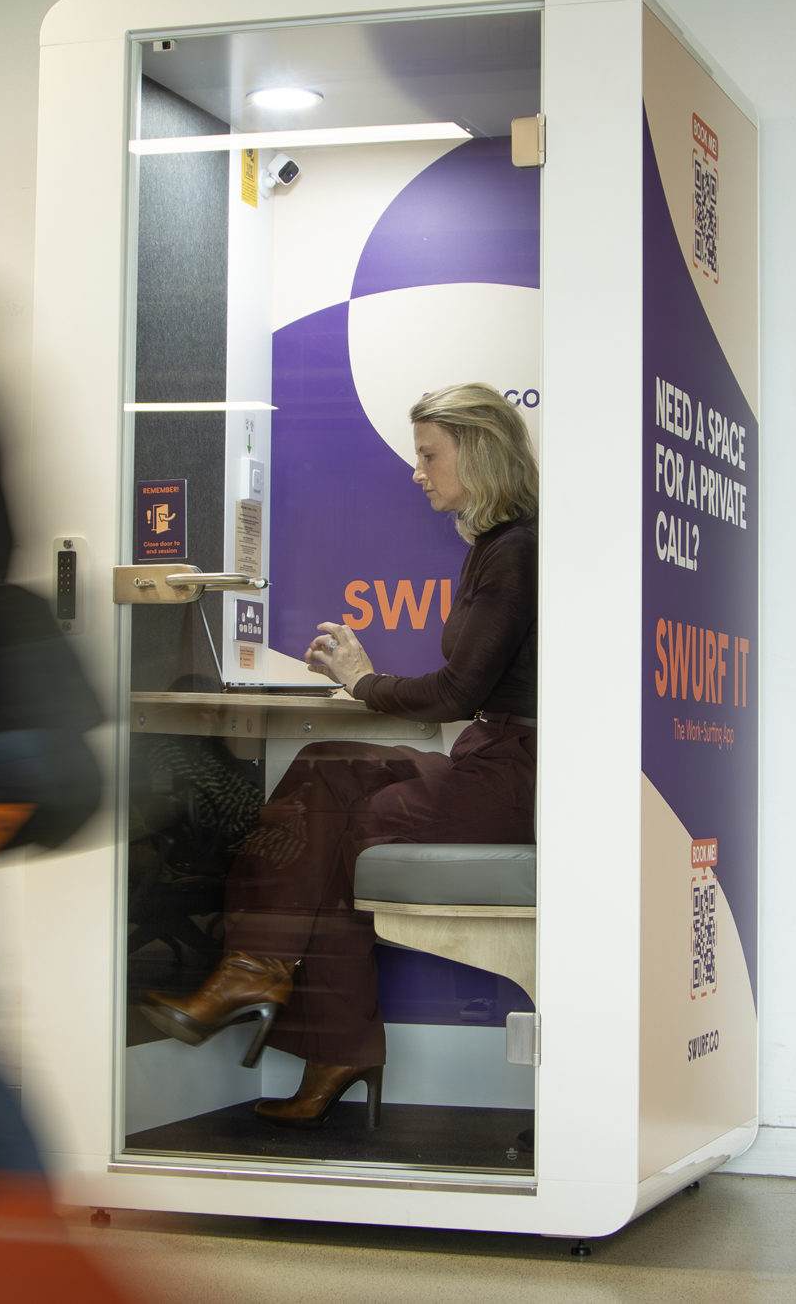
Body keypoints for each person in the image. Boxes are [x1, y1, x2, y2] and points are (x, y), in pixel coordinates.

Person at [138, 383, 537, 1127]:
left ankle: (297, 1012)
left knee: (352, 826)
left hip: (516, 771)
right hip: (495, 757)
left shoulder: (514, 550)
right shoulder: (495, 546)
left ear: (478, 453)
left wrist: (362, 679)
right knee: (324, 771)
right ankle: (258, 977)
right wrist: (366, 678)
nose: (416, 470)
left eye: (429, 454)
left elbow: (458, 690)